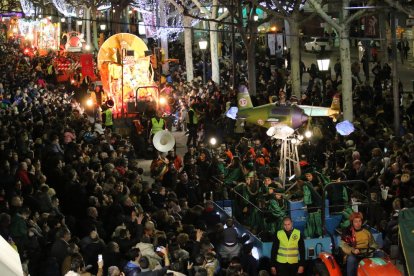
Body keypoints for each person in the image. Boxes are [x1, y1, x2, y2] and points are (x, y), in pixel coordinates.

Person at [340, 212, 382, 276]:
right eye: (356, 222)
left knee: (380, 254)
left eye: (359, 221)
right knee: (351, 259)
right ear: (352, 222)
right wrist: (353, 250)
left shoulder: (366, 232)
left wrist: (372, 248)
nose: (358, 224)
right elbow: (344, 246)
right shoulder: (347, 232)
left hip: (367, 252)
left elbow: (373, 243)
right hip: (354, 253)